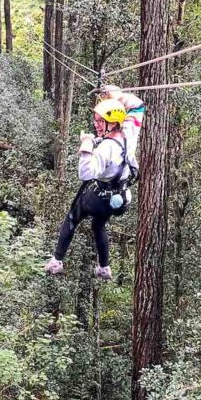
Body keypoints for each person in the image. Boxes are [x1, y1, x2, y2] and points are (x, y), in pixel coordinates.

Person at [44, 86, 145, 280]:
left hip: (101, 198)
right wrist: (118, 95)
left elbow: (86, 173)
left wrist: (86, 146)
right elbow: (138, 107)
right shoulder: (128, 132)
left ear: (112, 122)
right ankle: (104, 267)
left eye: (101, 121)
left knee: (73, 217)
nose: (96, 124)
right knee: (98, 225)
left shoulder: (105, 149)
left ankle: (57, 261)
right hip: (121, 199)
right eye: (96, 120)